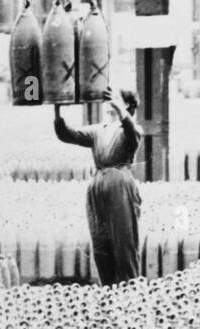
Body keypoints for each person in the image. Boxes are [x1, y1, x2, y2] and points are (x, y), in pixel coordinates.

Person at [53, 87, 143, 286]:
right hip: (97, 185)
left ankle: (130, 289)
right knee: (101, 242)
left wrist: (120, 110)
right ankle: (108, 288)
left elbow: (132, 133)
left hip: (119, 181)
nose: (109, 101)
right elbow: (70, 135)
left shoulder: (131, 129)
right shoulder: (98, 130)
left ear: (127, 104)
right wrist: (58, 112)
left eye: (117, 98)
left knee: (123, 239)